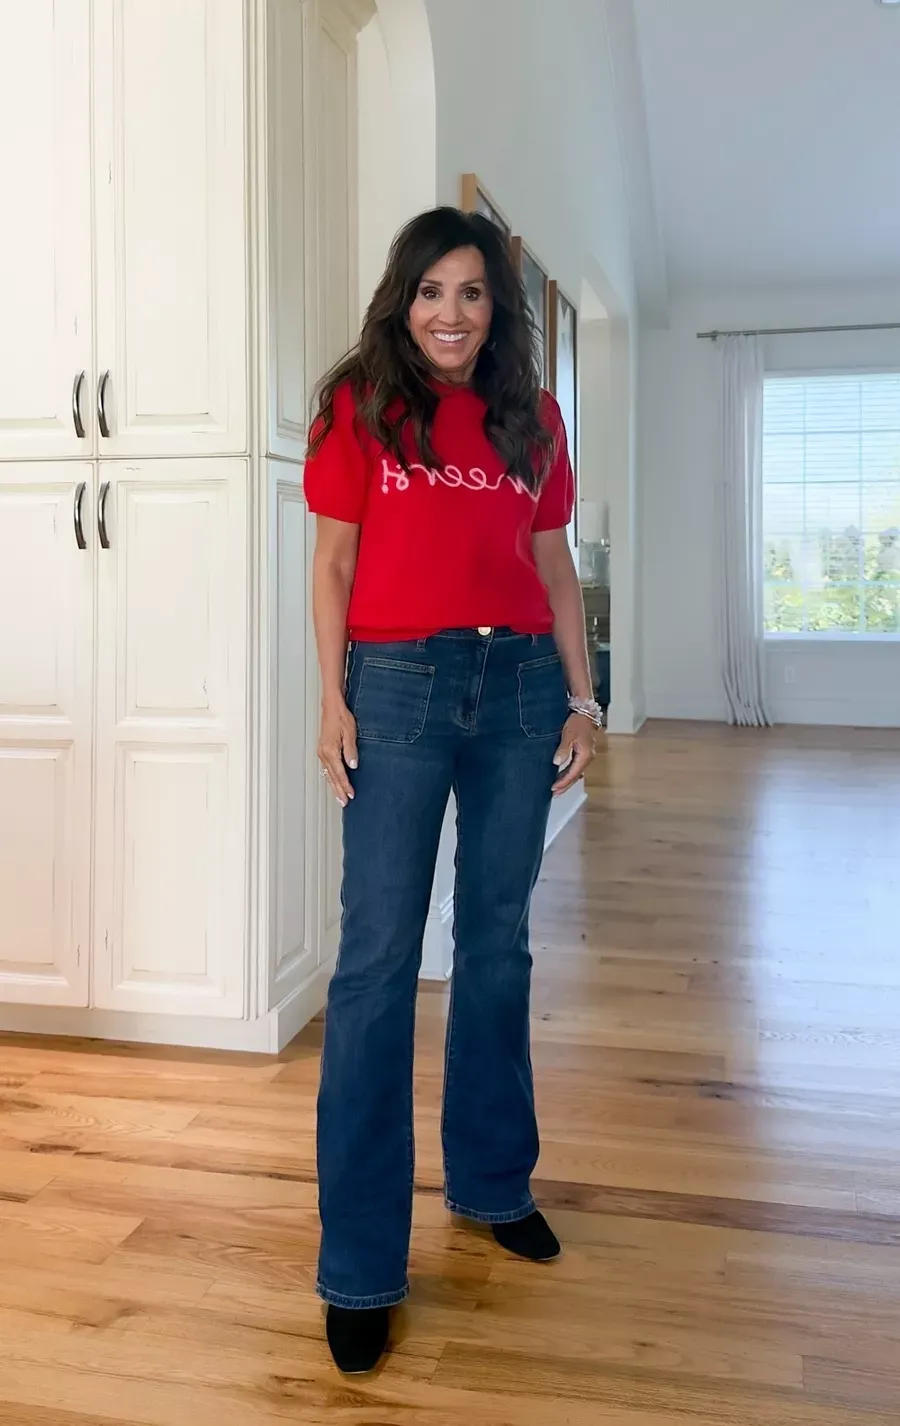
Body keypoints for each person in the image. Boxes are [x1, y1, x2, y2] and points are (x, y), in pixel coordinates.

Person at [303, 206, 601, 1374]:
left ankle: (489, 1181)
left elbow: (553, 562)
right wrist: (331, 700)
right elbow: (330, 561)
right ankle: (361, 1262)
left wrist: (585, 697)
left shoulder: (534, 417)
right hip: (398, 685)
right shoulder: (361, 406)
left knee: (497, 942)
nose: (451, 314)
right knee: (377, 961)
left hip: (521, 686)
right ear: (403, 296)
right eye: (433, 291)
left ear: (497, 310)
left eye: (473, 294)